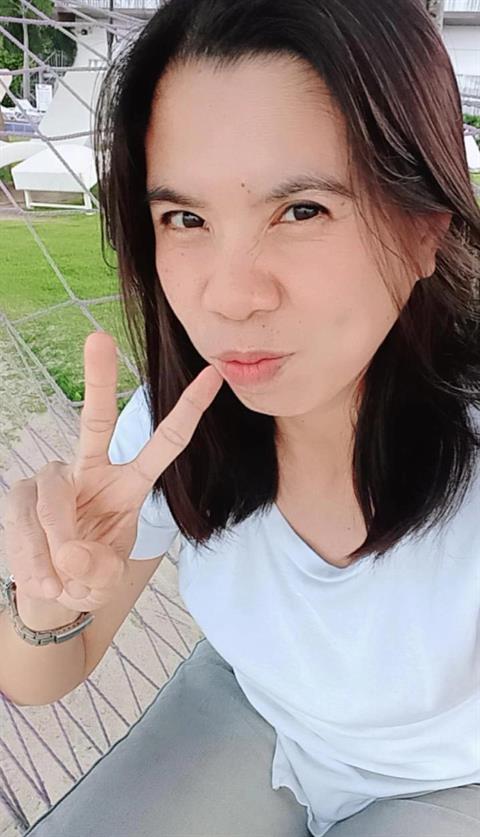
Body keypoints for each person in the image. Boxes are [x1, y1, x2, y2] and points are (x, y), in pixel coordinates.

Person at [1, 0, 479, 835]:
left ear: (422, 230)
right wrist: (46, 599)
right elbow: (40, 676)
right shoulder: (171, 430)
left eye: (302, 210)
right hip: (255, 706)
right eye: (186, 219)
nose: (230, 297)